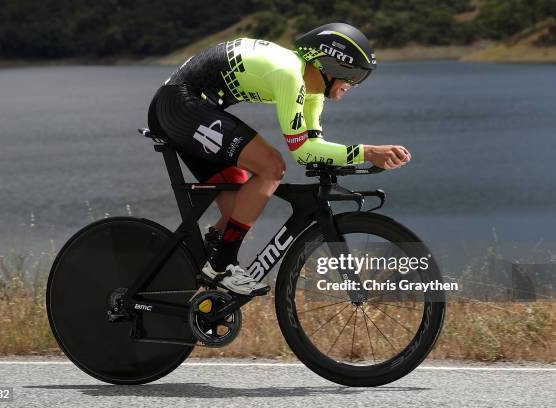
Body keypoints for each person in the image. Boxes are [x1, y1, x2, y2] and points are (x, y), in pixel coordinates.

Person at [147, 22, 411, 296]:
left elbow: (314, 146)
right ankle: (221, 267)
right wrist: (366, 152)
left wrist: (353, 159)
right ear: (332, 66)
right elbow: (302, 152)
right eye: (354, 76)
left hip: (193, 107)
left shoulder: (312, 92)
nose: (354, 85)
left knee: (239, 200)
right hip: (178, 106)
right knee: (271, 166)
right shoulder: (290, 75)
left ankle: (202, 273)